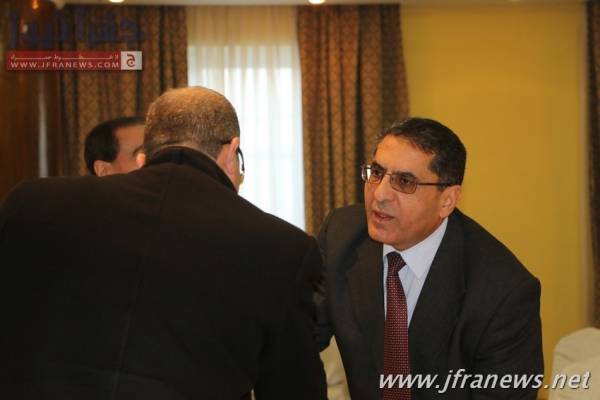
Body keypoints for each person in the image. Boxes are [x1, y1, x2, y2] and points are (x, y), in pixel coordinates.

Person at [0, 86, 326, 400]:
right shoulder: (283, 247)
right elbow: (292, 388)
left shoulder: (32, 203)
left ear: (146, 154)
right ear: (231, 152)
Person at [316, 117, 543, 399]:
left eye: (404, 181)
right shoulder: (340, 237)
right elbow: (295, 339)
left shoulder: (503, 293)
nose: (380, 194)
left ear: (447, 200)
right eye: (377, 172)